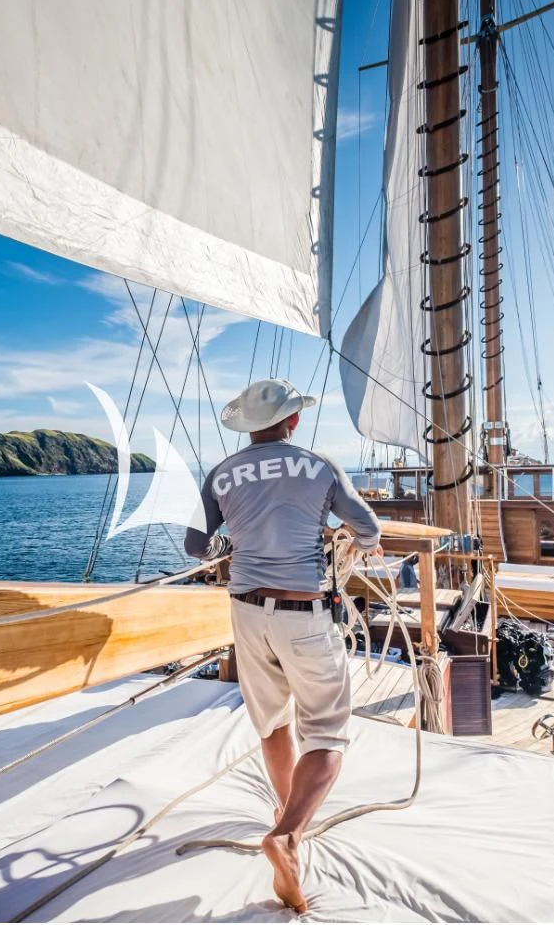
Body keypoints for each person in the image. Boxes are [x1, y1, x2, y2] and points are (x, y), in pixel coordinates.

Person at [185, 378, 382, 913]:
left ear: (247, 426)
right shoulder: (319, 465)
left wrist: (237, 542)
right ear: (293, 420)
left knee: (272, 723)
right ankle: (289, 834)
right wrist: (359, 544)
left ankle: (283, 810)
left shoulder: (221, 473)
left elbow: (196, 545)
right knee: (327, 732)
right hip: (305, 613)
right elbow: (366, 527)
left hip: (247, 611)